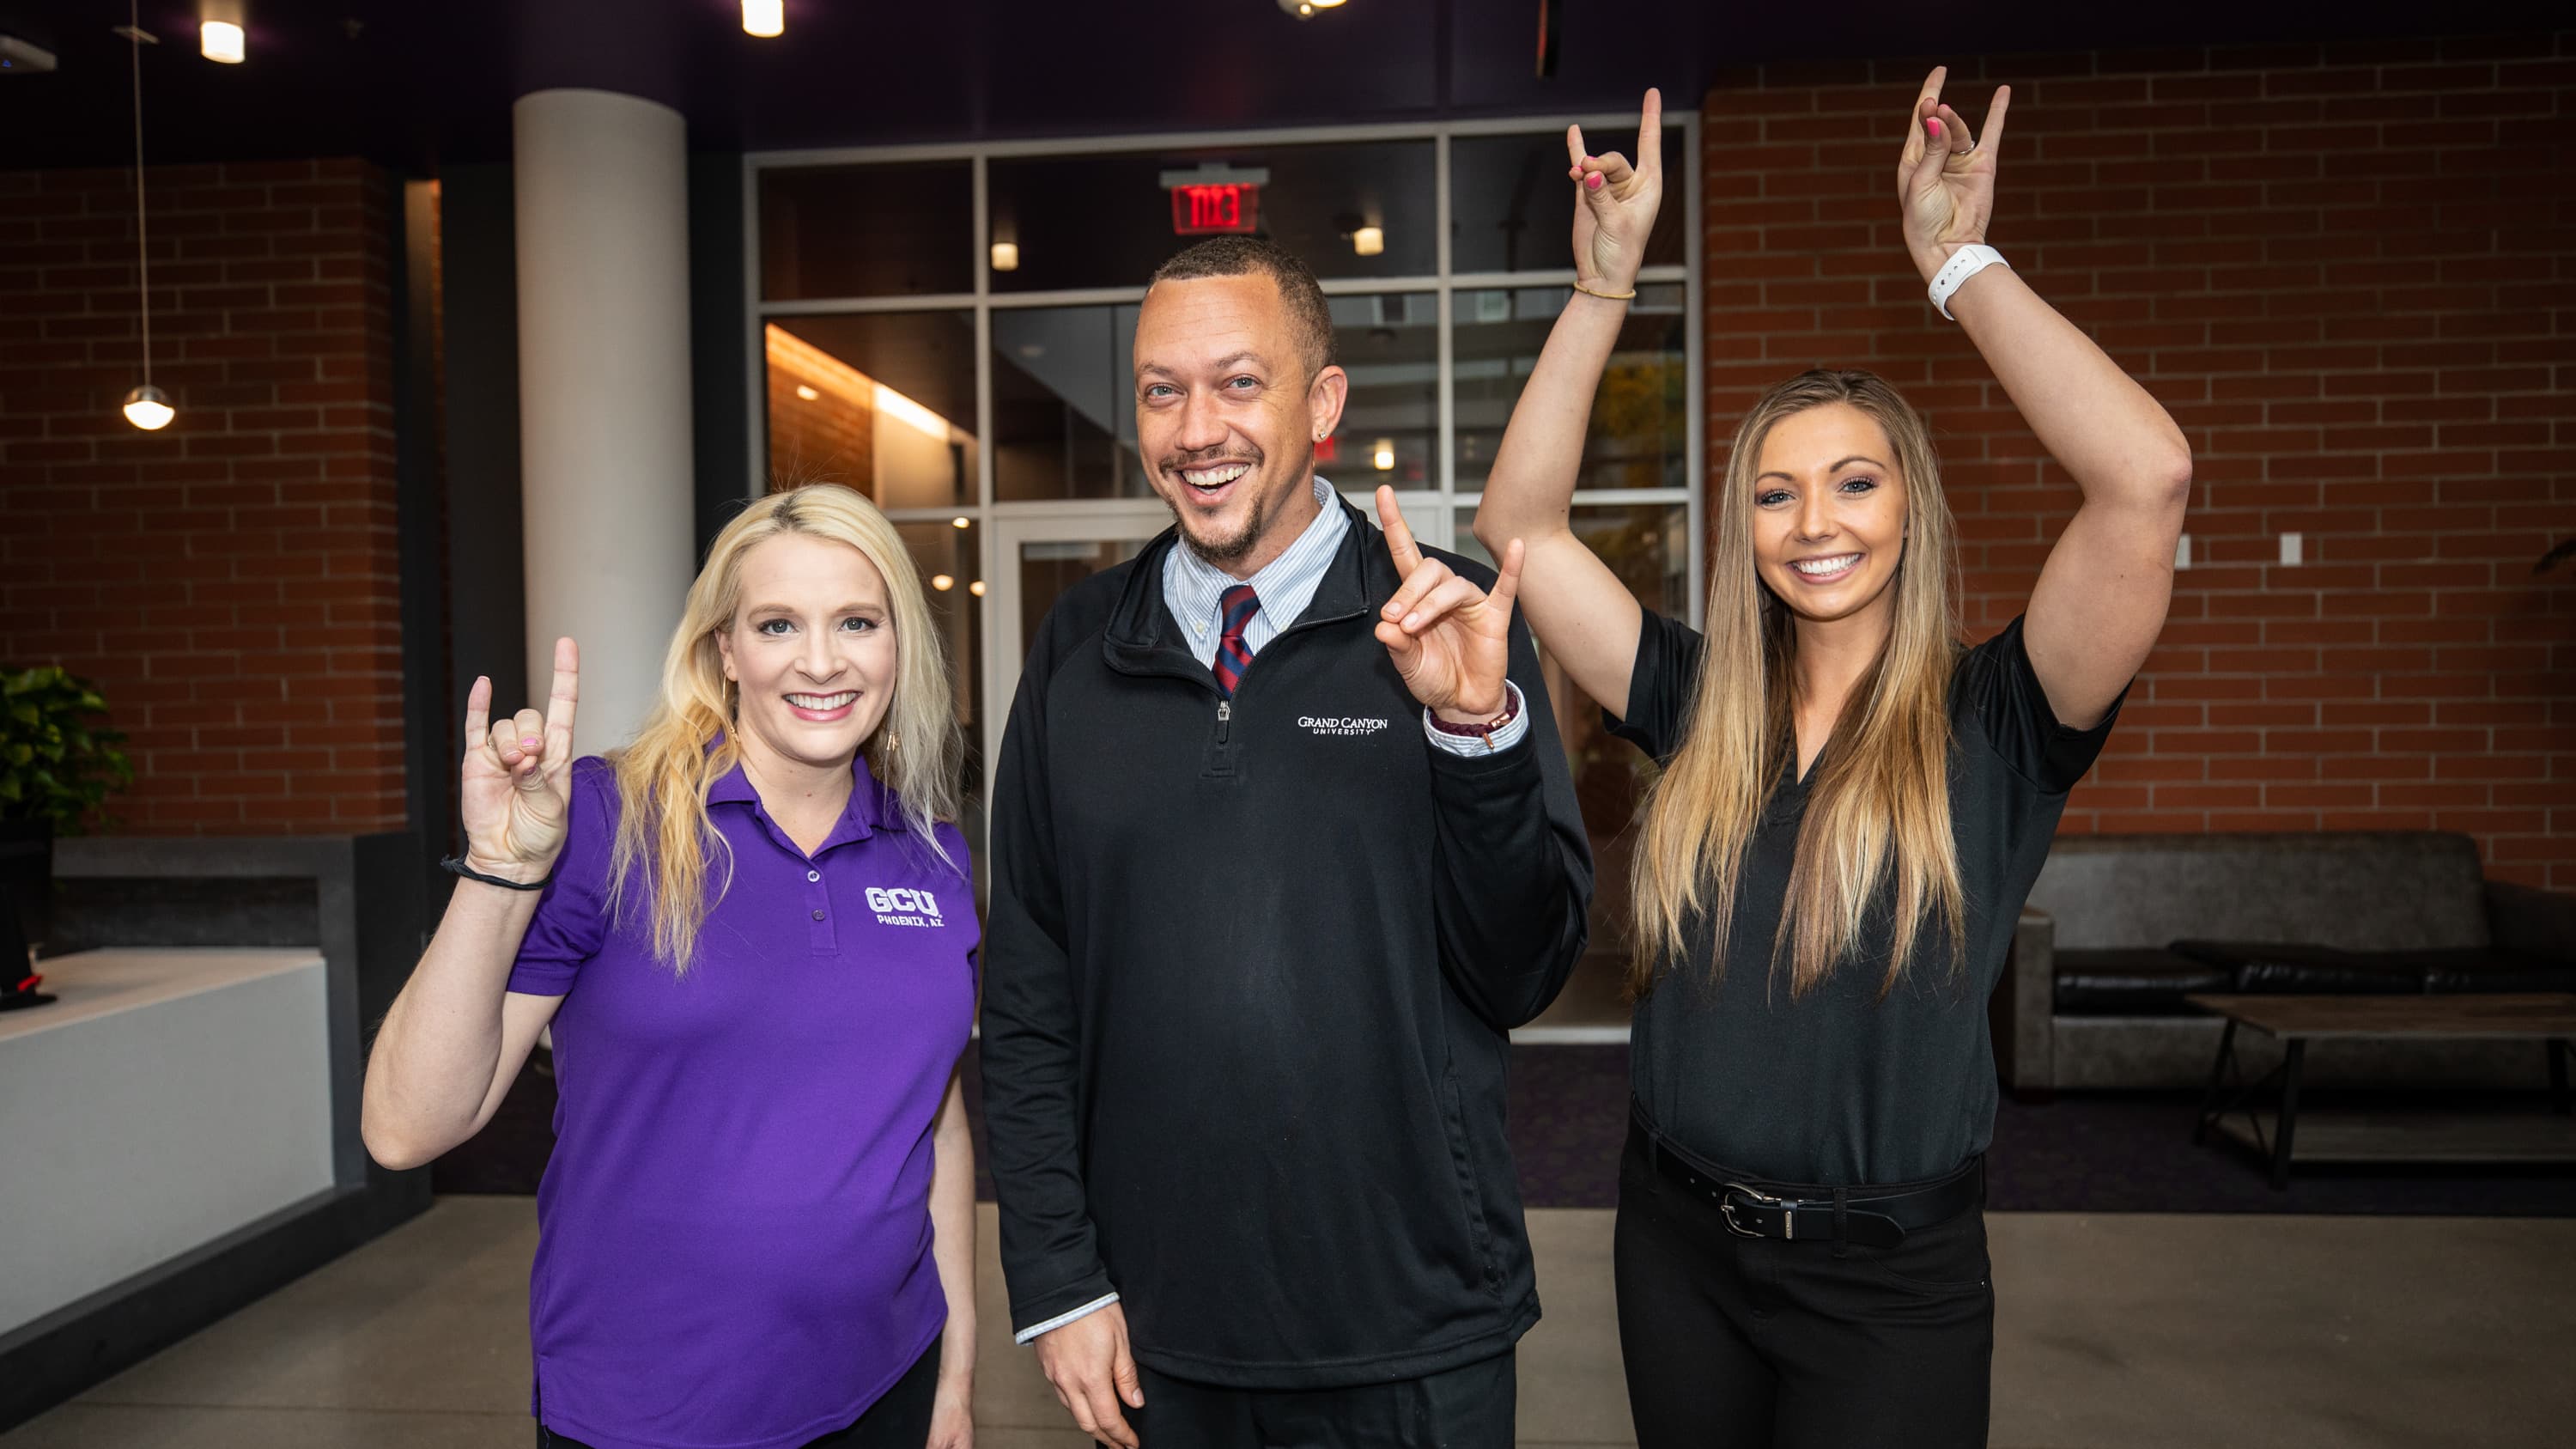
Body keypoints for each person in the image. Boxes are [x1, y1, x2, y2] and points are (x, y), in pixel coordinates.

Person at [1473, 76, 2191, 1446]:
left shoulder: (2003, 713)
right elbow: (1523, 524)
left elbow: (2145, 477)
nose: (1815, 521)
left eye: (1854, 481)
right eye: (1775, 488)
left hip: (1890, 1282)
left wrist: (1957, 263)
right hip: (1674, 1243)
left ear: (1909, 509)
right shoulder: (1696, 698)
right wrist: (1603, 291)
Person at [978, 234, 1595, 1448]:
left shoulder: (1448, 616)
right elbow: (1029, 995)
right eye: (1162, 389)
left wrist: (1477, 731)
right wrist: (1057, 1274)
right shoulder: (1077, 650)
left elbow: (1523, 967)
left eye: (1238, 382)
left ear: (1321, 403)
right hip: (1158, 1334)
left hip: (1416, 1324)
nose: (1196, 427)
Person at [361, 485, 981, 1449]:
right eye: (778, 624)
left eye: (857, 621)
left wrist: (959, 1363)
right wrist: (504, 868)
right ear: (724, 650)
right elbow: (405, 1128)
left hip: (885, 1380)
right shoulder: (606, 821)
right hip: (646, 1410)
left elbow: (933, 1121)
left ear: (898, 644)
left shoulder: (932, 856)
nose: (822, 661)